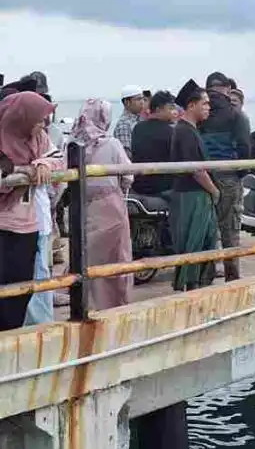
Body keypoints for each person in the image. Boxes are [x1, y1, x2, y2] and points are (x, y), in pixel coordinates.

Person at [0, 92, 61, 329]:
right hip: (3, 224)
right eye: (37, 119)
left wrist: (42, 163)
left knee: (22, 286)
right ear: (21, 118)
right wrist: (21, 171)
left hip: (27, 224)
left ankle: (11, 334)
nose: (42, 124)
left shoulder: (39, 139)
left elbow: (57, 157)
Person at [70, 99, 133, 310]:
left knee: (86, 256)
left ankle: (85, 303)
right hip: (110, 205)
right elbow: (128, 175)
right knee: (115, 257)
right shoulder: (111, 143)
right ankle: (114, 303)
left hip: (82, 207)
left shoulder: (72, 142)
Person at [200, 72, 251, 281]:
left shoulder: (199, 112)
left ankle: (205, 275)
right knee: (230, 229)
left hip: (202, 176)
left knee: (207, 229)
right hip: (228, 175)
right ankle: (232, 276)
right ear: (227, 87)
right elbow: (245, 147)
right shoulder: (235, 114)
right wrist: (241, 173)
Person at [169, 80, 220, 292]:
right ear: (191, 106)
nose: (209, 107)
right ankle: (191, 287)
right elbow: (196, 170)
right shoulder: (184, 131)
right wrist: (214, 190)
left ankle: (198, 285)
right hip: (192, 195)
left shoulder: (190, 130)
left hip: (196, 195)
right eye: (205, 103)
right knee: (194, 243)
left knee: (204, 242)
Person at [131, 90, 176, 197]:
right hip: (163, 189)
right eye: (170, 108)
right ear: (158, 109)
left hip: (138, 187)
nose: (174, 111)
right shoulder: (172, 132)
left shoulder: (138, 128)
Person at [113, 85, 146, 159]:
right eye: (138, 99)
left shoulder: (140, 120)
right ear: (127, 102)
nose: (142, 102)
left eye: (143, 99)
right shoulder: (124, 124)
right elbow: (126, 155)